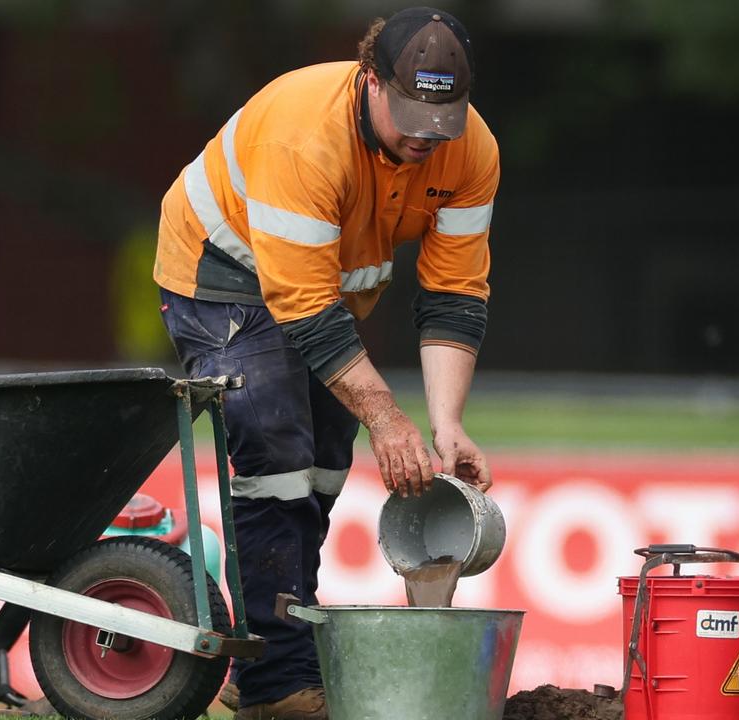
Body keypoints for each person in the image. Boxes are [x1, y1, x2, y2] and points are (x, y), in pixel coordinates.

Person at [153, 7, 498, 719]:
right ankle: (277, 687)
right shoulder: (304, 137)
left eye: (443, 121)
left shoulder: (472, 151)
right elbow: (302, 305)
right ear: (370, 81)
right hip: (221, 274)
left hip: (322, 292)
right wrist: (383, 414)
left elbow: (454, 294)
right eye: (409, 115)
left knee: (321, 472)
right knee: (278, 455)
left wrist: (446, 423)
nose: (425, 138)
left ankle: (283, 653)